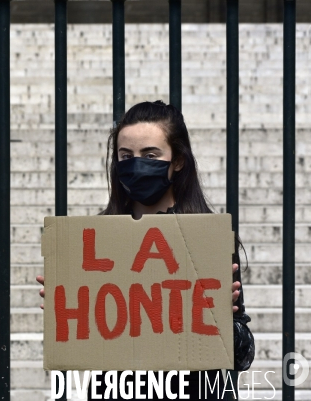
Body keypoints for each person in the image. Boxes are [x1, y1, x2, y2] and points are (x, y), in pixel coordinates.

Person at [36, 101, 255, 400]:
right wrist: (69, 312)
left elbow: (243, 358)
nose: (136, 164)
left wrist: (222, 320)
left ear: (177, 160)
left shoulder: (209, 240)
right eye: (126, 156)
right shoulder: (94, 241)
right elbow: (74, 365)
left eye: (150, 155)